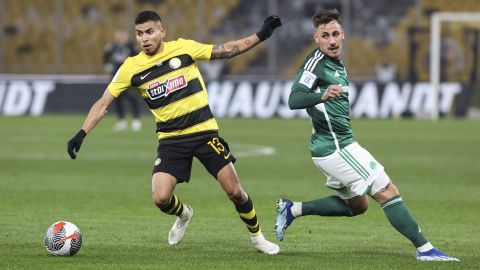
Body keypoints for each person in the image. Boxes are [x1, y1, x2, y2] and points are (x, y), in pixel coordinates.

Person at [67, 10, 282, 254]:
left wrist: (262, 35)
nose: (144, 38)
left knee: (235, 191)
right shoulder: (131, 67)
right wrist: (82, 132)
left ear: (162, 31)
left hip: (204, 133)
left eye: (149, 32)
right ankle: (184, 213)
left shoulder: (184, 48)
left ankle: (257, 238)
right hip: (171, 140)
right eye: (139, 34)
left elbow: (227, 49)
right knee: (160, 198)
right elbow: (103, 103)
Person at [274, 9, 459, 262]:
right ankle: (425, 249)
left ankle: (292, 209)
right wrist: (322, 95)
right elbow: (294, 99)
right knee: (386, 189)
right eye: (325, 35)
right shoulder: (315, 63)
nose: (332, 40)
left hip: (331, 146)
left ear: (344, 35)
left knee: (358, 206)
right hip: (336, 148)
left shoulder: (335, 63)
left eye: (336, 34)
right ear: (316, 38)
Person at [103, 28, 142, 131]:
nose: (120, 38)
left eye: (122, 36)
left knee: (132, 96)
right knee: (117, 98)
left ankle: (136, 120)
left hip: (129, 75)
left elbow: (138, 58)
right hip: (116, 75)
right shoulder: (111, 47)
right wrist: (108, 65)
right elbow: (105, 58)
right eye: (118, 36)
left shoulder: (131, 46)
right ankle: (122, 121)